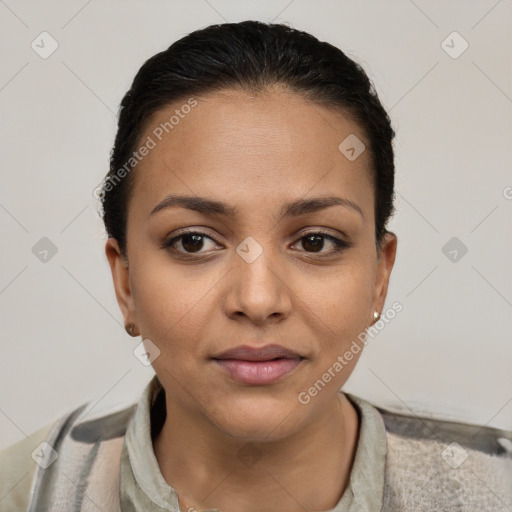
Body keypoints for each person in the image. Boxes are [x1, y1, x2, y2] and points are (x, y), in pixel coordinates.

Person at [1, 20, 511, 512]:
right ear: (126, 280)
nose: (258, 299)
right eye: (194, 241)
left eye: (315, 241)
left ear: (379, 277)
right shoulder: (29, 491)